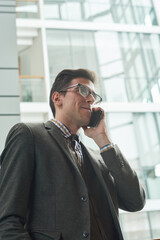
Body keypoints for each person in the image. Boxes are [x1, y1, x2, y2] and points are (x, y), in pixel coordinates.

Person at [0, 68, 145, 240]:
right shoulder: (29, 135)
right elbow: (7, 221)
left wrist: (103, 140)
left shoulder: (100, 158)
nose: (91, 99)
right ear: (57, 98)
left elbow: (135, 201)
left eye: (93, 95)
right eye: (82, 90)